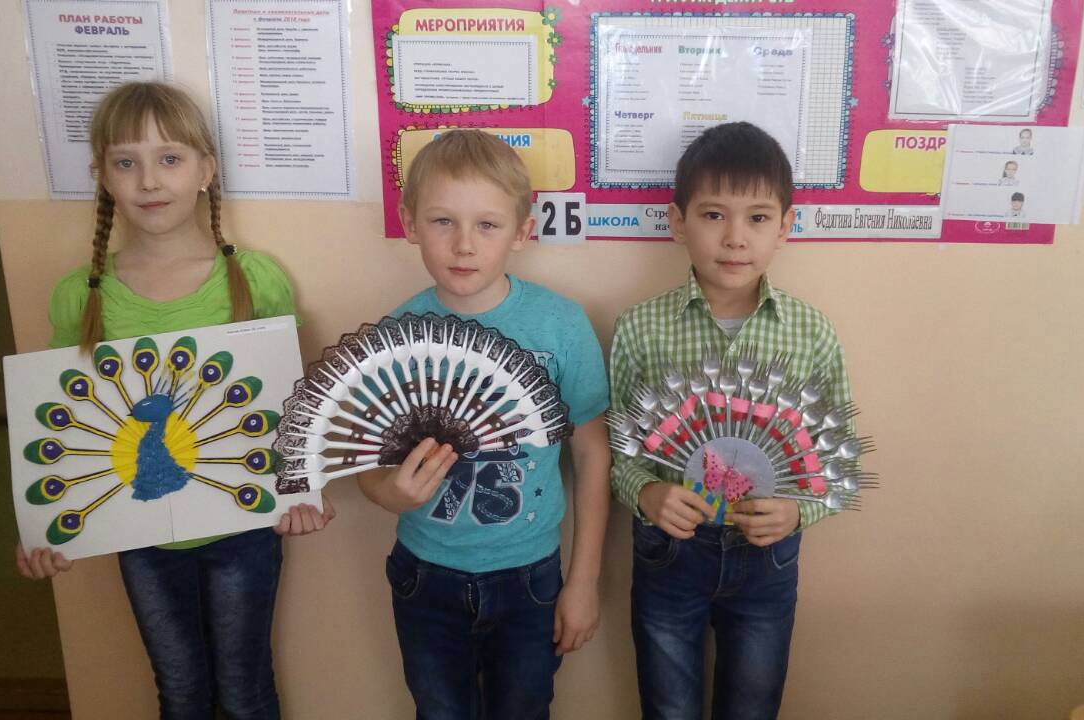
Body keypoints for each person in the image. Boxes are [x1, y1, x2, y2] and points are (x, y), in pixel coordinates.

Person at [14, 81, 334, 720]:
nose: (149, 180)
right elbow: (65, 422)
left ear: (205, 171)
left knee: (245, 690)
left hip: (245, 529)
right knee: (181, 692)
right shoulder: (82, 294)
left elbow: (295, 402)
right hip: (143, 541)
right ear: (102, 175)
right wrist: (45, 524)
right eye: (125, 161)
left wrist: (304, 490)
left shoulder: (254, 279)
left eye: (169, 158)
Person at [358, 129, 611, 720]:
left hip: (530, 577)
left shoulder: (560, 326)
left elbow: (593, 454)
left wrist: (583, 582)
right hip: (425, 575)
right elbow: (366, 461)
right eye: (443, 221)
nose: (464, 244)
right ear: (410, 222)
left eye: (488, 225)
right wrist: (388, 493)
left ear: (523, 231)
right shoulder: (394, 336)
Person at [609, 121, 854, 719]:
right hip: (671, 550)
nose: (735, 237)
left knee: (752, 708)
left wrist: (800, 510)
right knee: (668, 709)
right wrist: (647, 493)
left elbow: (838, 459)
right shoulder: (641, 327)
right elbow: (620, 452)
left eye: (758, 217)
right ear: (678, 222)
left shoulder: (812, 331)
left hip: (768, 555)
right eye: (714, 215)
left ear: (786, 227)